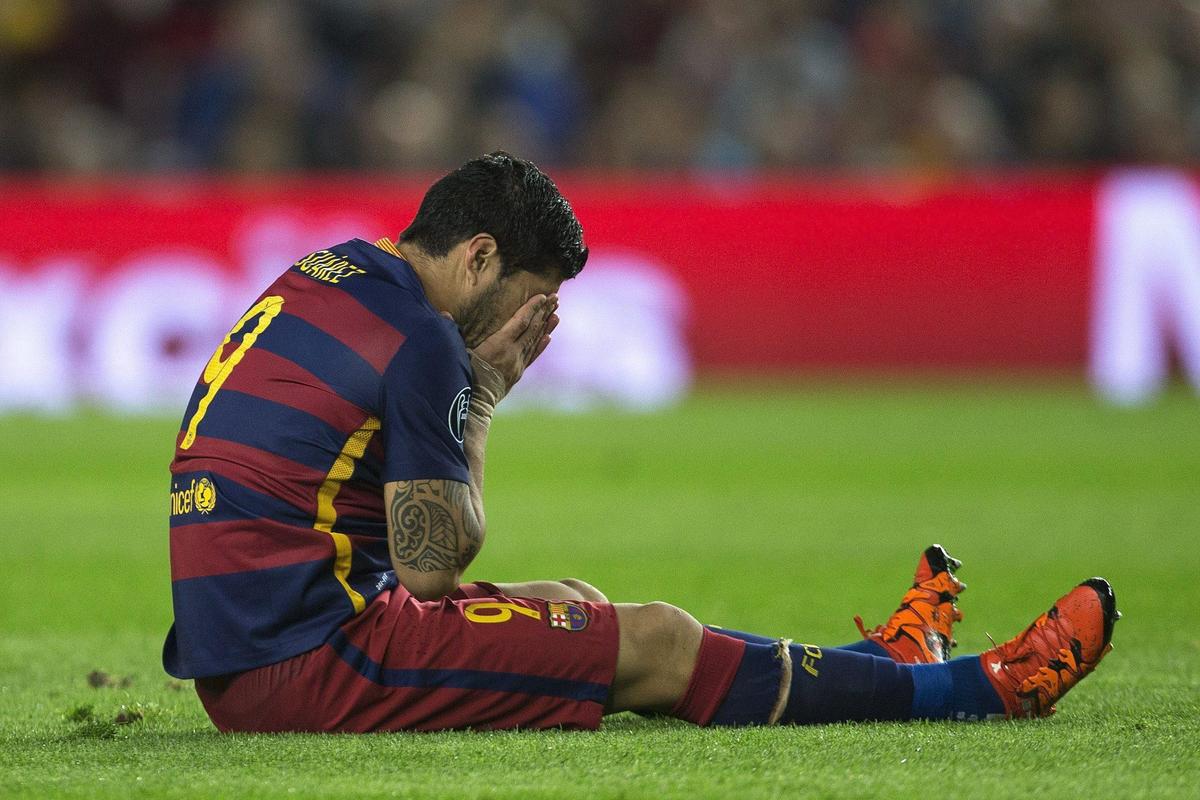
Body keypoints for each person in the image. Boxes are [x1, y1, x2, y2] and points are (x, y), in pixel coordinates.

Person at [164, 152, 1118, 732]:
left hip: (249, 647)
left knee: (580, 606)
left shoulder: (327, 272)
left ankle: (890, 667)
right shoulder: (425, 341)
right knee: (657, 639)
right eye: (534, 297)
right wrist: (481, 397)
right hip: (312, 667)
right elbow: (432, 569)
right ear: (480, 257)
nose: (535, 322)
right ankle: (986, 690)